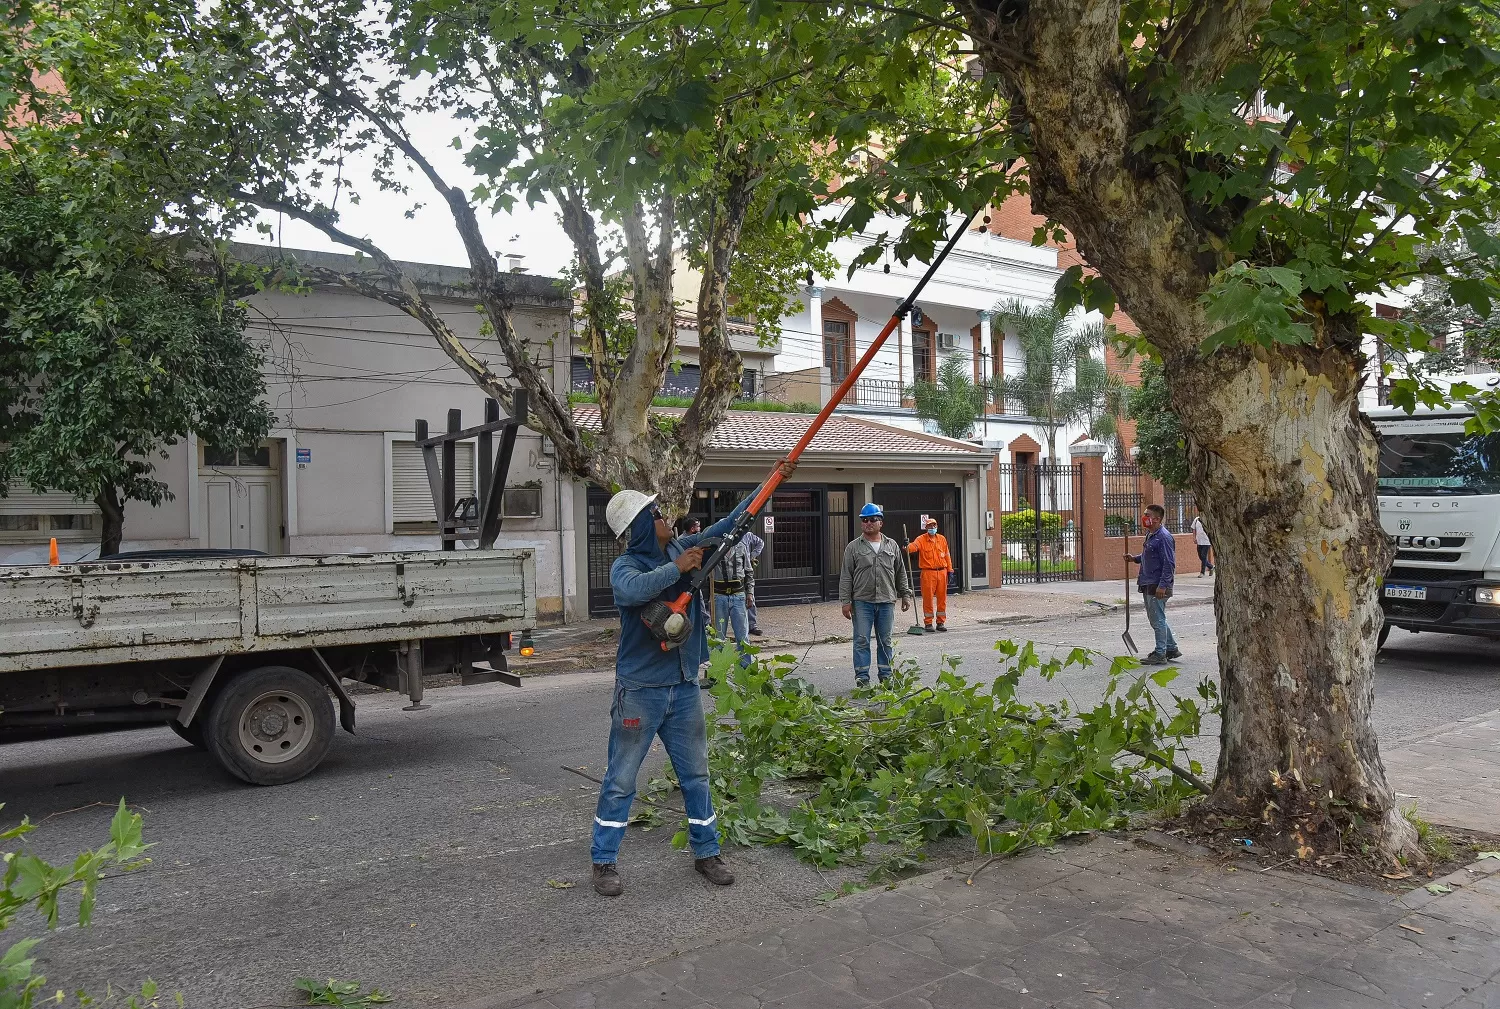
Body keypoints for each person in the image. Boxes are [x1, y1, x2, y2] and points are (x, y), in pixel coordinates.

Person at [590, 489, 749, 897]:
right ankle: (604, 861)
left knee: (696, 775)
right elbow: (630, 592)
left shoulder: (683, 547)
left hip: (684, 686)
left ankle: (707, 852)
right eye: (657, 513)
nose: (667, 518)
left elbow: (725, 527)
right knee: (621, 780)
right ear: (641, 526)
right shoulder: (627, 566)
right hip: (641, 691)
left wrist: (771, 480)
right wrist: (676, 568)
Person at [839, 502, 912, 686]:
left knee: (885, 641)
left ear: (881, 523)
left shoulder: (892, 545)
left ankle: (886, 677)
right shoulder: (853, 547)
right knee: (861, 640)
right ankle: (862, 678)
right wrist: (845, 601)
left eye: (872, 519)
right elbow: (846, 575)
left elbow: (900, 571)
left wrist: (905, 594)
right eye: (864, 520)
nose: (868, 523)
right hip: (862, 602)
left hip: (887, 601)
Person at [1124, 503, 1180, 665]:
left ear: (1156, 519)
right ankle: (1171, 648)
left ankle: (1160, 653)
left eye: (1147, 515)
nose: (1144, 517)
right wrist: (1134, 558)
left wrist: (1162, 586)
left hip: (1157, 585)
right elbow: (1149, 555)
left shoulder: (1163, 537)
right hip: (1149, 582)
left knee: (1157, 620)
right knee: (1158, 618)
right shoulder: (1151, 534)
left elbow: (1169, 563)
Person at [710, 534, 755, 672]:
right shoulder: (715, 549)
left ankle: (745, 670)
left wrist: (750, 593)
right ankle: (718, 671)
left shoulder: (742, 547)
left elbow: (749, 572)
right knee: (718, 637)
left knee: (742, 636)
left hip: (738, 596)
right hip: (719, 596)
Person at [906, 516, 954, 632]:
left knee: (942, 598)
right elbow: (913, 547)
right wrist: (907, 545)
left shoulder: (942, 539)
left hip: (942, 572)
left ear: (936, 526)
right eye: (929, 526)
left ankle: (940, 622)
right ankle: (928, 623)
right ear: (926, 528)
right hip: (928, 573)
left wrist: (950, 570)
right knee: (928, 599)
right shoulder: (921, 539)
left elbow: (947, 555)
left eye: (934, 525)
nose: (932, 527)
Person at [742, 529, 766, 636]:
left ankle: (752, 625)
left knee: (750, 596)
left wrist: (752, 556)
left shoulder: (747, 534)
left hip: (745, 568)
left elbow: (760, 542)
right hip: (731, 570)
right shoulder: (728, 534)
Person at [1190, 508, 1214, 576]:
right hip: (1199, 541)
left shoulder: (1209, 519)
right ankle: (1211, 566)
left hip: (1206, 541)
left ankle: (1202, 572)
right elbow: (1194, 529)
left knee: (1203, 556)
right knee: (1200, 556)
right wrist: (1194, 537)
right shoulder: (1197, 519)